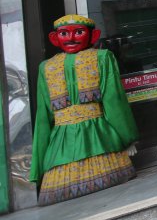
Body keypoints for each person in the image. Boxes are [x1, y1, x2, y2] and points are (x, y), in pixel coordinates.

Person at [30, 15, 138, 205]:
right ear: (55, 38)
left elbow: (43, 118)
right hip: (101, 140)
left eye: (78, 32)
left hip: (60, 151)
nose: (71, 38)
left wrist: (38, 168)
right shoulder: (102, 57)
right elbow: (114, 101)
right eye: (64, 34)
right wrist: (127, 138)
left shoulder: (45, 67)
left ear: (92, 35)